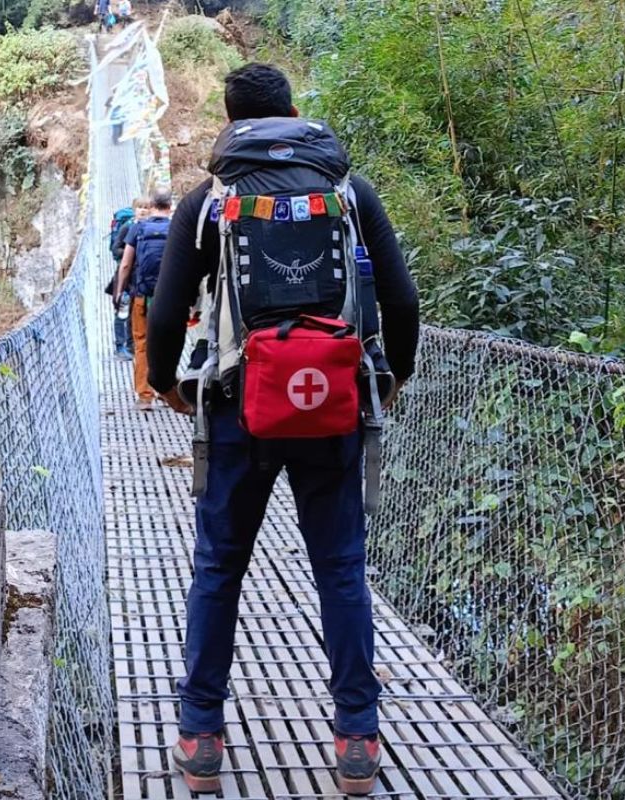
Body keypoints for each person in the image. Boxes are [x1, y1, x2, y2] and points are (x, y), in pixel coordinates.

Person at [145, 64, 419, 795]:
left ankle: (201, 736)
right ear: (295, 113)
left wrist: (167, 383)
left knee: (218, 568)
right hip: (333, 405)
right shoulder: (349, 193)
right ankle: (357, 739)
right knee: (341, 568)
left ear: (229, 123)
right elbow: (401, 299)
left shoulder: (209, 201)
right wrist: (391, 375)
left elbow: (166, 313)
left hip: (239, 408)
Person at [114, 190, 173, 410]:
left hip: (142, 295)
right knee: (168, 345)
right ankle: (166, 392)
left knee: (141, 344)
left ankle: (145, 396)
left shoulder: (137, 228)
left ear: (152, 205)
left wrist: (119, 291)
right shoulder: (176, 228)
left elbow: (125, 264)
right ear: (170, 206)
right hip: (169, 299)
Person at [105, 198, 147, 360]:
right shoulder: (127, 227)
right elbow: (115, 249)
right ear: (134, 209)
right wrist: (131, 252)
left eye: (146, 207)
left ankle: (131, 345)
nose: (143, 210)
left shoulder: (149, 228)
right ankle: (120, 347)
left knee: (134, 311)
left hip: (139, 277)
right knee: (122, 310)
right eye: (140, 207)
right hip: (125, 277)